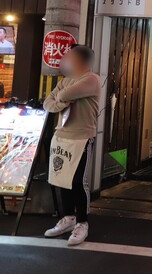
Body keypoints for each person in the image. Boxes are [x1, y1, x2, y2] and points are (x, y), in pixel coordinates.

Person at [43, 45, 100, 246]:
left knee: (77, 182)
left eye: (70, 57)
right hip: (61, 136)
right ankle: (68, 218)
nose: (65, 60)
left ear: (81, 60)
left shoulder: (92, 79)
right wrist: (63, 101)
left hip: (82, 137)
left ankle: (82, 223)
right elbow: (48, 104)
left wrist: (62, 98)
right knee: (61, 179)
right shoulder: (66, 80)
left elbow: (63, 95)